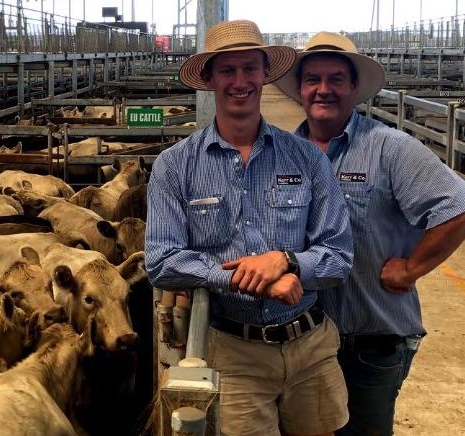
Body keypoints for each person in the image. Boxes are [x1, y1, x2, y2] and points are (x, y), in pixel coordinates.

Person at [146, 20, 354, 436]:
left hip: (311, 346)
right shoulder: (176, 165)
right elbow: (162, 260)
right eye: (227, 71)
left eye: (249, 69)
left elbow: (338, 256)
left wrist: (287, 262)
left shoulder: (307, 158)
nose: (240, 82)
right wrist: (253, 281)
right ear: (209, 79)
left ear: (265, 74)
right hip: (235, 353)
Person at [276, 31, 465, 436]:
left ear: (354, 87)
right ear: (300, 89)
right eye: (313, 80)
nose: (323, 90)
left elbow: (457, 206)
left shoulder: (390, 147)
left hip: (369, 342)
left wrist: (412, 267)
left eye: (335, 80)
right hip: (302, 344)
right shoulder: (283, 154)